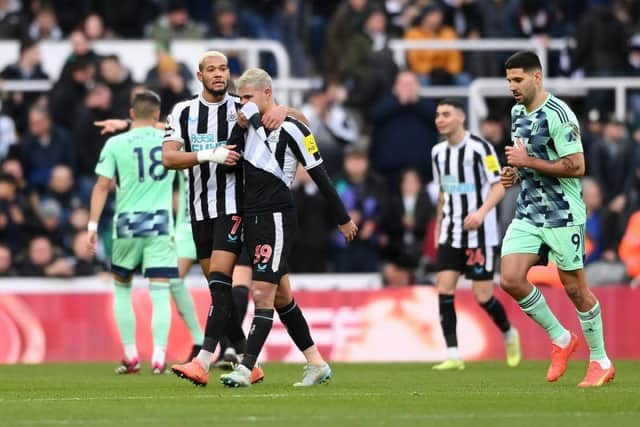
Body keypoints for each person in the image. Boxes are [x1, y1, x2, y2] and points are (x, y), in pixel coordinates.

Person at [163, 51, 304, 387]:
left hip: (236, 210)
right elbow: (168, 157)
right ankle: (253, 360)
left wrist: (284, 109)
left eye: (223, 69)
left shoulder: (242, 107)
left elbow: (299, 122)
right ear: (199, 76)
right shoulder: (184, 112)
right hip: (199, 212)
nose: (218, 74)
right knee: (253, 294)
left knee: (222, 285)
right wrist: (210, 154)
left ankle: (203, 361)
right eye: (211, 69)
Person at [219, 68, 358, 388]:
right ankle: (316, 362)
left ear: (267, 93)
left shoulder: (292, 129)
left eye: (249, 97)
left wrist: (342, 218)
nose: (244, 104)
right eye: (240, 99)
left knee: (261, 293)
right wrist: (241, 127)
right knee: (282, 297)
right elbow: (229, 162)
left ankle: (246, 367)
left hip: (276, 219)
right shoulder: (245, 127)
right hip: (250, 218)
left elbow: (321, 175)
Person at [500, 51, 614, 387]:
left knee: (575, 289)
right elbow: (526, 159)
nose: (512, 87)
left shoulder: (560, 114)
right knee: (510, 278)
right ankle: (561, 339)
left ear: (537, 77)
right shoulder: (517, 111)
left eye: (518, 79)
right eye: (509, 81)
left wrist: (527, 162)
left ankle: (601, 361)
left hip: (563, 212)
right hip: (529, 211)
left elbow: (577, 166)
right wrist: (514, 173)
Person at [87, 90, 175, 374]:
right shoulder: (171, 139)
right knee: (160, 291)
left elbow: (102, 186)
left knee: (122, 288)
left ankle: (131, 355)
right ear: (158, 115)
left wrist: (91, 225)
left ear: (132, 113)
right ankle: (160, 356)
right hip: (160, 222)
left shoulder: (115, 143)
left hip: (126, 223)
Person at [430, 98, 521, 371]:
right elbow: (444, 192)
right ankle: (454, 354)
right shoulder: (437, 153)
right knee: (444, 288)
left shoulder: (480, 149)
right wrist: (438, 226)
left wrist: (481, 214)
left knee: (483, 296)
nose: (440, 119)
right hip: (450, 231)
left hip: (479, 235)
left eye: (446, 114)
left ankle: (508, 332)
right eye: (437, 114)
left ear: (461, 118)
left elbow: (499, 187)